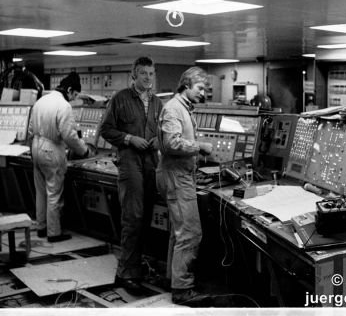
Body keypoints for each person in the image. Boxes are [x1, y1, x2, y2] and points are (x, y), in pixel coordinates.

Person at [100, 57, 163, 294]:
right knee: (133, 217)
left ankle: (137, 266)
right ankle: (126, 272)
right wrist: (129, 138)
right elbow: (105, 129)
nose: (148, 77)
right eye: (143, 73)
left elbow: (164, 131)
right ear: (133, 75)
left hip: (151, 162)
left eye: (151, 73)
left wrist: (158, 140)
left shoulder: (157, 103)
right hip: (129, 161)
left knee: (145, 217)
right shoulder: (121, 98)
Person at [156, 66, 213, 306]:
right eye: (199, 88)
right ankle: (182, 289)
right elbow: (171, 143)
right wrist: (200, 147)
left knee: (178, 232)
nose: (203, 93)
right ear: (186, 85)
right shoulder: (173, 109)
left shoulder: (183, 108)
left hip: (180, 174)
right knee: (190, 233)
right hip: (176, 176)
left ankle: (173, 279)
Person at [27, 72, 92, 243]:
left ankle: (41, 227)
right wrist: (84, 151)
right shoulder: (63, 106)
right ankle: (54, 233)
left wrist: (32, 149)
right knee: (54, 193)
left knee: (40, 192)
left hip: (36, 146)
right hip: (51, 150)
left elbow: (30, 129)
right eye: (75, 94)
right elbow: (69, 135)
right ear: (69, 90)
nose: (74, 98)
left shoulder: (40, 101)